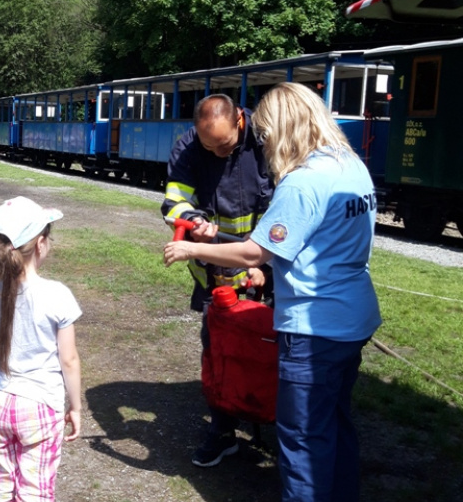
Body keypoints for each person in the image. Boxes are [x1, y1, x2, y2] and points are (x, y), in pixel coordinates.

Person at [163, 82, 381, 502]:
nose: (264, 141)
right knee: (336, 425)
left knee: (302, 441)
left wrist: (192, 248)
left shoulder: (303, 182)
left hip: (314, 325)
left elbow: (254, 252)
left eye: (266, 131)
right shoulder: (352, 166)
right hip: (353, 316)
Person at [161, 93, 274, 467]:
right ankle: (223, 431)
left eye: (224, 145)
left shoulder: (266, 138)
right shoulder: (189, 147)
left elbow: (284, 204)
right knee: (219, 350)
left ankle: (277, 421)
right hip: (217, 270)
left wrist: (267, 265)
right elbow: (174, 201)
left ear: (240, 119)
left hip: (268, 264)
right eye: (210, 147)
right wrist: (193, 221)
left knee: (274, 349)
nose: (218, 153)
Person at [0, 196, 82, 501]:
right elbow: (69, 360)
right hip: (40, 405)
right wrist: (75, 407)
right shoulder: (57, 294)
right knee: (34, 490)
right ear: (40, 244)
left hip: (0, 402)